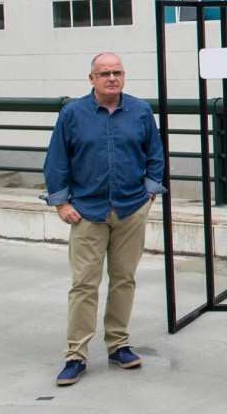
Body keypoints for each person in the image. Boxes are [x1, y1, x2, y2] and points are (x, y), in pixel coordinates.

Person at [43, 52, 167, 386]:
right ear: (92, 79)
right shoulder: (73, 114)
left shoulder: (140, 111)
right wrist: (60, 203)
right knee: (84, 284)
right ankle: (76, 356)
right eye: (104, 73)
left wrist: (149, 195)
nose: (111, 78)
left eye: (117, 72)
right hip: (87, 212)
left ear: (123, 76)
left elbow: (155, 155)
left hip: (130, 209)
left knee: (124, 279)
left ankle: (118, 345)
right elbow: (56, 160)